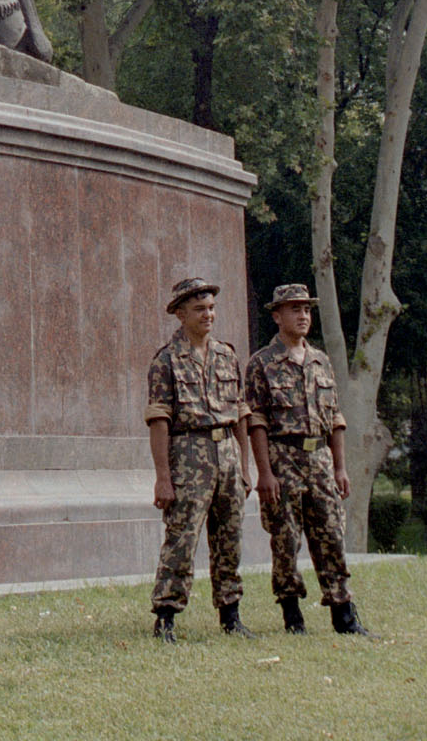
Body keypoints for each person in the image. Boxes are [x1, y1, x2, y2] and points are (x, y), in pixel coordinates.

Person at [244, 283, 372, 636]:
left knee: (331, 535)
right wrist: (264, 473)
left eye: (307, 310)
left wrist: (340, 466)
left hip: (320, 460)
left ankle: (344, 615)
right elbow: (256, 421)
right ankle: (292, 615)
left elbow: (335, 418)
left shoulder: (320, 360)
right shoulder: (261, 364)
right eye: (294, 309)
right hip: (283, 460)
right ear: (276, 316)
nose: (302, 316)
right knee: (285, 540)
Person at [145, 275, 255, 642]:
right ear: (180, 314)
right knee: (182, 537)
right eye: (199, 309)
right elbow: (159, 419)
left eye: (211, 308)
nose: (208, 315)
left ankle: (231, 615)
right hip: (188, 454)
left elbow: (241, 413)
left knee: (230, 537)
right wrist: (163, 477)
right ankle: (166, 616)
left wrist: (244, 464)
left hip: (226, 452)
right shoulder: (166, 361)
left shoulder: (227, 355)